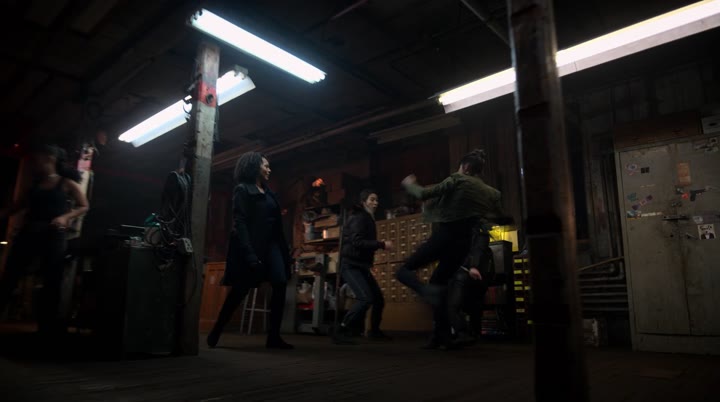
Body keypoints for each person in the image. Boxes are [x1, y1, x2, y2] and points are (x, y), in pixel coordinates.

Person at [396, 149, 503, 349]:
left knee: (403, 271)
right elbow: (499, 217)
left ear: (465, 167)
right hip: (463, 245)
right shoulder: (491, 193)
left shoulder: (457, 179)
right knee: (440, 285)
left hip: (445, 236)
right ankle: (441, 337)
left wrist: (410, 184)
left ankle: (426, 292)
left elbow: (423, 194)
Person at [207, 152, 294, 350]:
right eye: (266, 166)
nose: (269, 169)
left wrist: (284, 251)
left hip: (272, 246)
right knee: (240, 290)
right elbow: (240, 222)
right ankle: (217, 329)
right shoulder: (243, 190)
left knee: (280, 283)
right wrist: (249, 253)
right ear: (254, 167)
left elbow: (276, 223)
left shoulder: (269, 193)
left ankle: (273, 337)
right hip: (252, 245)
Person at [0, 144, 89, 335]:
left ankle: (47, 329)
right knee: (10, 275)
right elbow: (17, 206)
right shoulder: (34, 184)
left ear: (50, 158)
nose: (33, 162)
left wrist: (65, 217)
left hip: (53, 235)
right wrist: (5, 213)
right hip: (29, 232)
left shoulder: (66, 183)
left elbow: (84, 205)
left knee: (52, 280)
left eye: (37, 158)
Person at [333, 189, 393, 345]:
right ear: (364, 202)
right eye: (372, 200)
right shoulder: (359, 217)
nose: (375, 203)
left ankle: (374, 331)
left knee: (378, 299)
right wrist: (381, 244)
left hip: (361, 266)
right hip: (351, 265)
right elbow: (357, 241)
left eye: (377, 200)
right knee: (365, 299)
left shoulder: (367, 218)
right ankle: (341, 330)